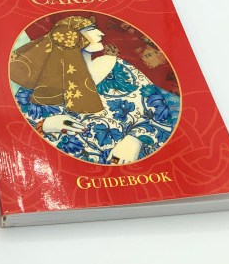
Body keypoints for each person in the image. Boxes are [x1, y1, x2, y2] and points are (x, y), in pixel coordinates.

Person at [9, 14, 180, 165]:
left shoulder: (116, 67)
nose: (100, 33)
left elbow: (158, 110)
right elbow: (16, 138)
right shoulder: (39, 87)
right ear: (69, 38)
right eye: (90, 30)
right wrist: (45, 125)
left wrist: (135, 140)